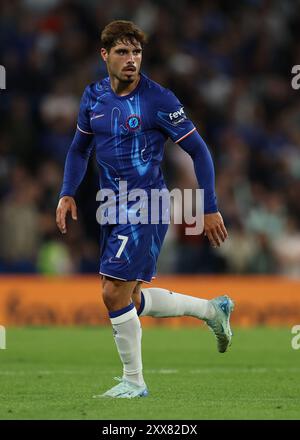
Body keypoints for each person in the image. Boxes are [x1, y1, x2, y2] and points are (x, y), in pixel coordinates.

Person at [56, 20, 234, 399]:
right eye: (122, 52)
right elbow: (78, 149)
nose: (131, 59)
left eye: (136, 52)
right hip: (110, 207)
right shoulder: (94, 97)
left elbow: (198, 150)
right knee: (129, 297)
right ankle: (211, 311)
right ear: (105, 55)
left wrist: (209, 206)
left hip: (146, 206)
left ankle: (134, 382)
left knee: (112, 294)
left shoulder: (159, 100)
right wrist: (67, 192)